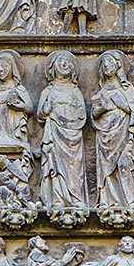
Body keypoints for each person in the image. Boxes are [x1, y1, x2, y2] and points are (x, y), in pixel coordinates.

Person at [37, 51, 88, 208]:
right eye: (61, 61)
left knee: (74, 166)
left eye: (68, 62)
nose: (65, 64)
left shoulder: (75, 91)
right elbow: (39, 114)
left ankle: (76, 198)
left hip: (73, 135)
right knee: (54, 166)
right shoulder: (48, 91)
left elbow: (83, 114)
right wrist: (45, 110)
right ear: (53, 68)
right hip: (54, 132)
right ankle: (57, 199)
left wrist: (75, 115)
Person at [91, 51, 134, 206]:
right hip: (105, 135)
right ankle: (108, 201)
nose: (107, 66)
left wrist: (123, 106)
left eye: (111, 62)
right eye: (104, 63)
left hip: (124, 133)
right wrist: (101, 109)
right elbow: (94, 115)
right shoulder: (101, 92)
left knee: (124, 163)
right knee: (106, 168)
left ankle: (130, 201)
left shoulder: (127, 89)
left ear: (119, 65)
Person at [0, 50, 31, 146]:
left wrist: (21, 107)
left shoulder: (19, 89)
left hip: (14, 125)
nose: (1, 70)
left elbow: (30, 109)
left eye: (5, 66)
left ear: (12, 68)